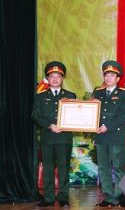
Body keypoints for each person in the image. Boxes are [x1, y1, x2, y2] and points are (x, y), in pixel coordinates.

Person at [32, 61, 76, 207]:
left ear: (62, 78)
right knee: (48, 169)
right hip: (48, 138)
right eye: (52, 76)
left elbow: (77, 115)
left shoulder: (70, 95)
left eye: (58, 76)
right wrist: (50, 125)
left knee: (64, 168)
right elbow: (35, 116)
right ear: (48, 79)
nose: (55, 79)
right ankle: (49, 197)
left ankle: (63, 197)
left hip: (64, 138)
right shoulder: (40, 96)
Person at [93, 60, 125, 207]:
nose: (108, 78)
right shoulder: (98, 93)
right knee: (103, 167)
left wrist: (106, 126)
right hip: (101, 136)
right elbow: (92, 113)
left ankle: (120, 195)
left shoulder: (123, 94)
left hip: (115, 135)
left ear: (118, 79)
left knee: (119, 166)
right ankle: (108, 196)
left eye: (112, 75)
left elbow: (123, 115)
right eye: (106, 75)